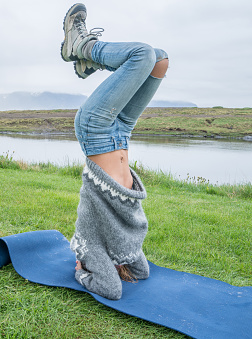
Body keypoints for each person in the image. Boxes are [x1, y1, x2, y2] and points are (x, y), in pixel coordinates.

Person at [61, 3, 169, 300]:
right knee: (159, 59)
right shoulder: (125, 251)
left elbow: (112, 290)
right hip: (121, 132)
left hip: (96, 131)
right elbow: (142, 272)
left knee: (141, 54)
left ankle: (82, 46)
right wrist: (124, 261)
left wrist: (82, 271)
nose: (119, 269)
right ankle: (88, 61)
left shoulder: (90, 248)